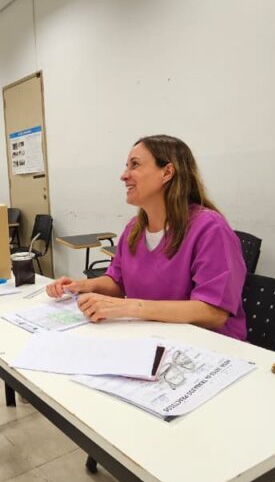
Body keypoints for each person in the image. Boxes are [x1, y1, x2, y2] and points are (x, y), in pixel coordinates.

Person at [47, 135, 247, 340]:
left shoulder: (210, 228)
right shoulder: (134, 229)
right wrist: (80, 286)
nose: (124, 176)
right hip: (151, 338)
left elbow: (213, 312)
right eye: (126, 166)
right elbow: (118, 282)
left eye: (135, 165)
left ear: (167, 172)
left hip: (207, 347)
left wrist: (131, 306)